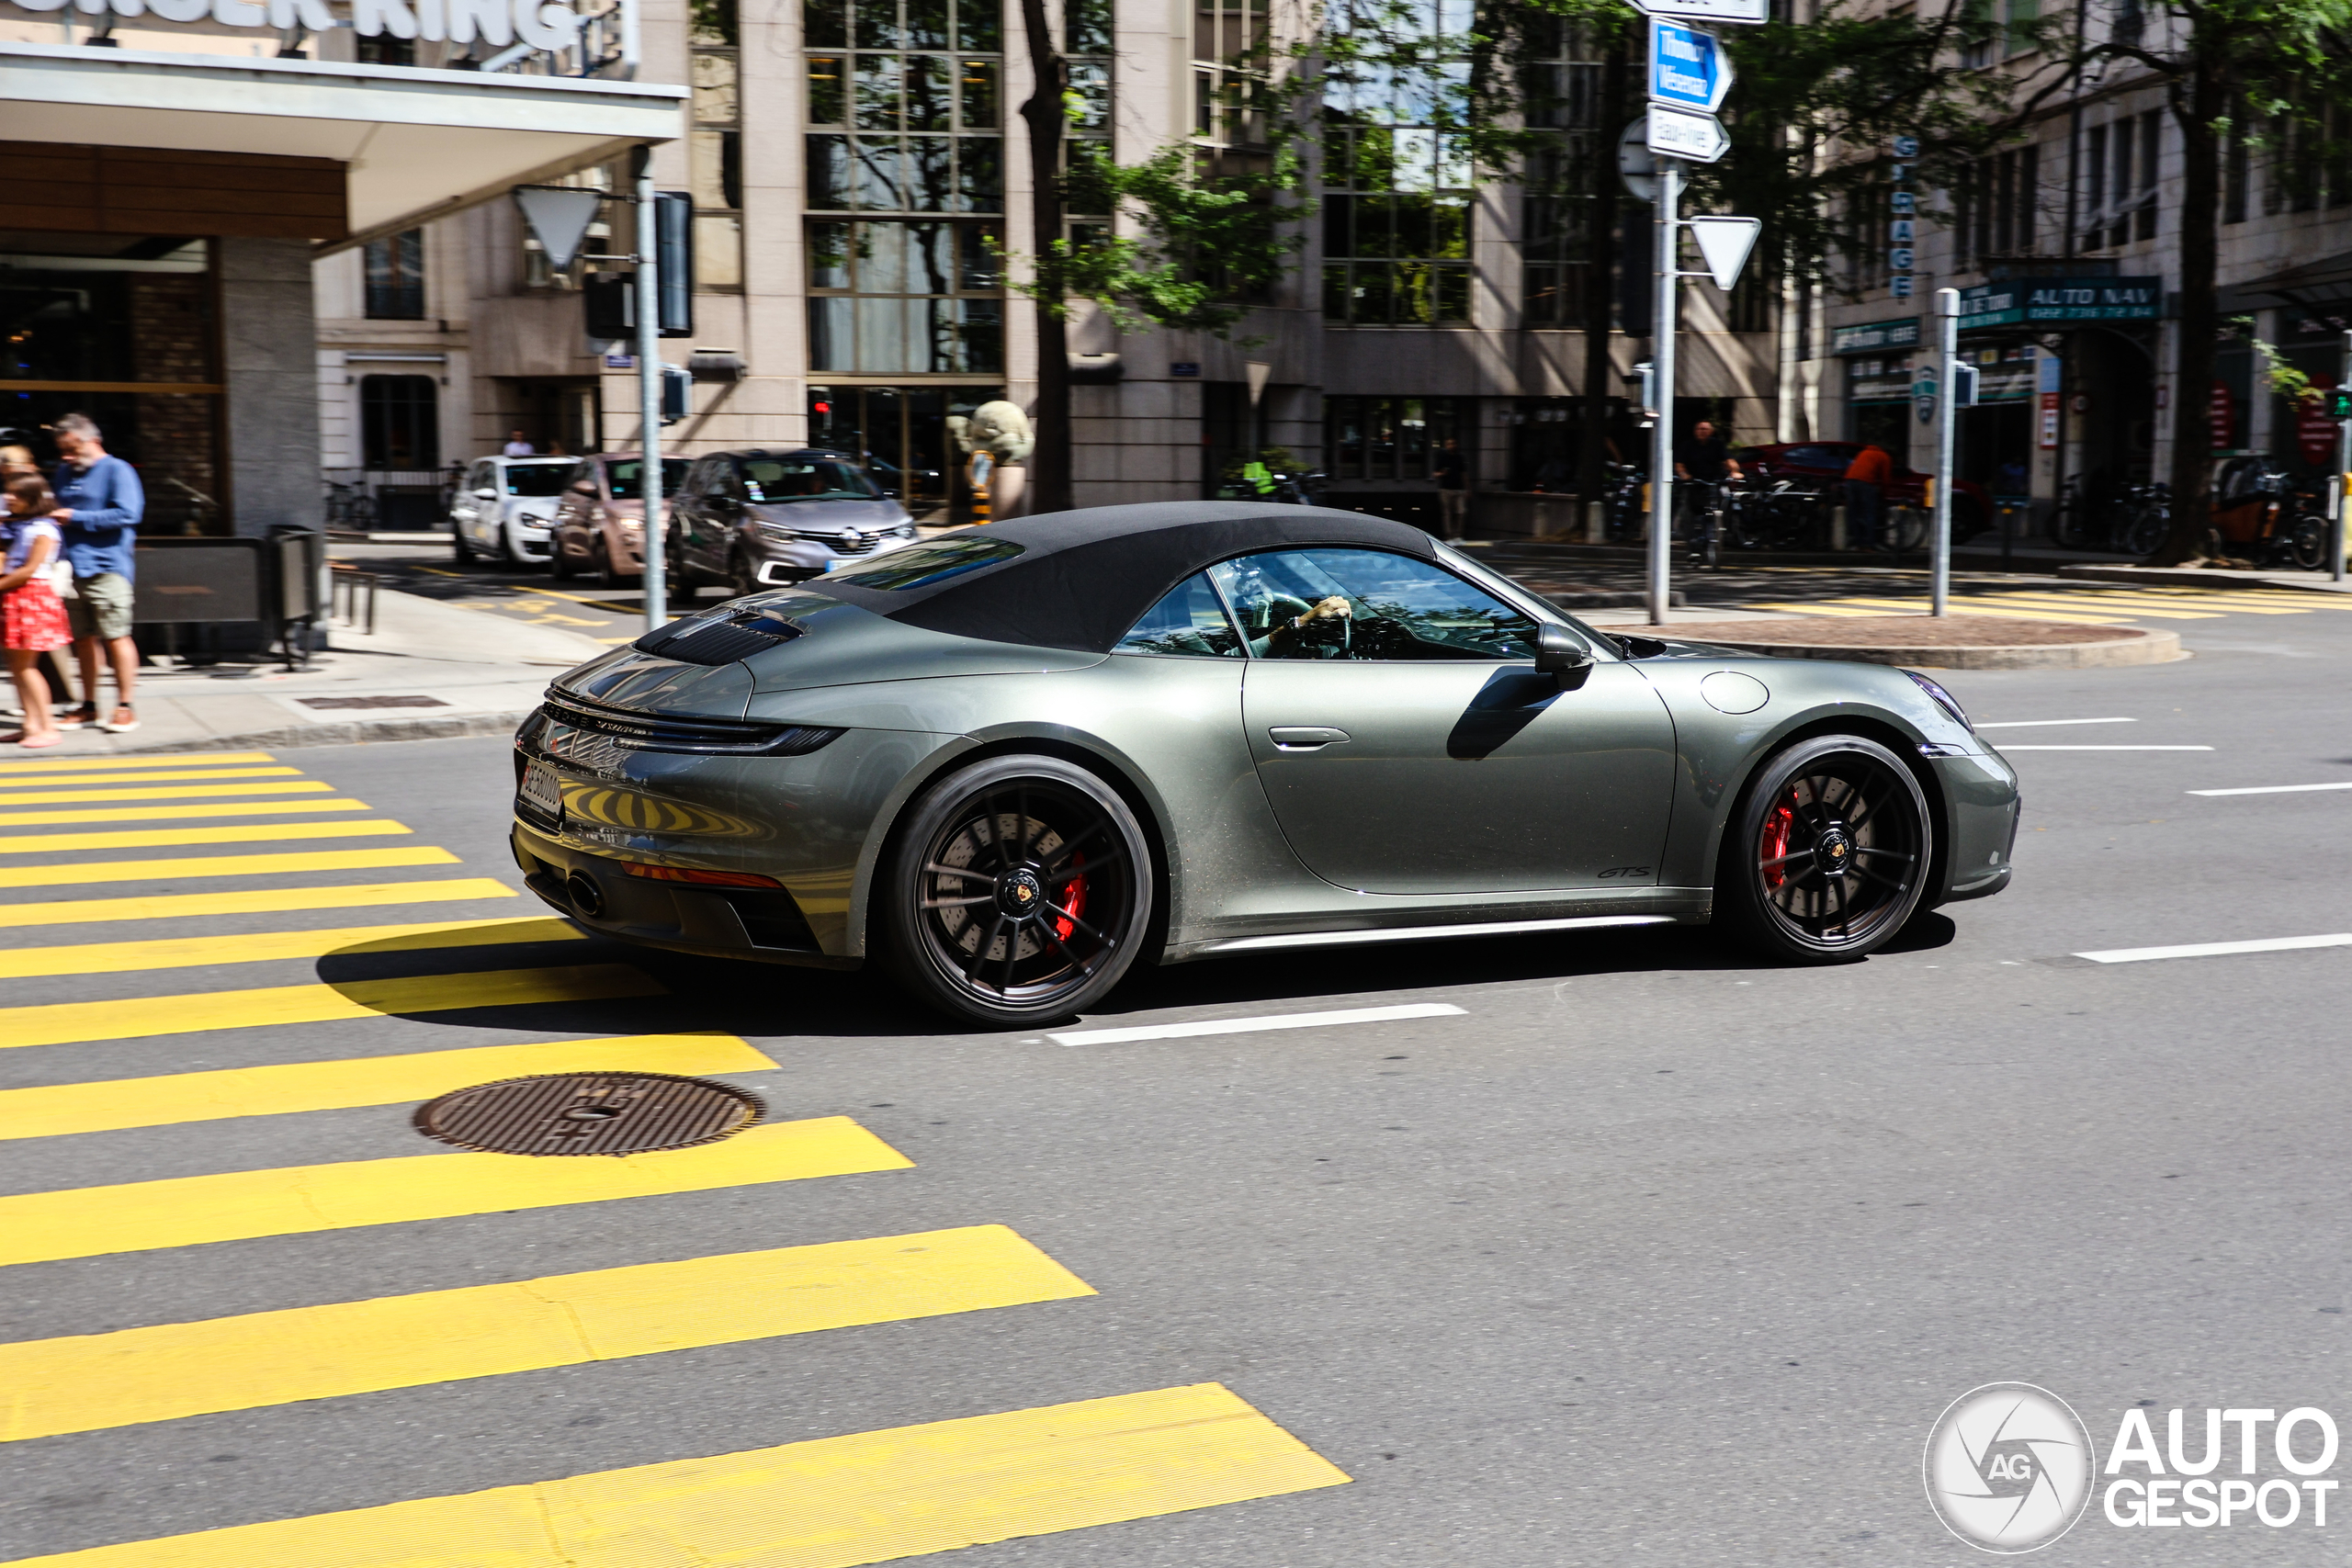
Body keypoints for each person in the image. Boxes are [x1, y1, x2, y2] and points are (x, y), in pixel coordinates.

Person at [51, 412, 143, 734]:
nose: (66, 456)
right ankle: (89, 706)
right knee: (83, 640)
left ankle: (126, 706)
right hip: (70, 568)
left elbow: (128, 513)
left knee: (116, 635)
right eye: (62, 449)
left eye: (72, 448)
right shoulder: (64, 472)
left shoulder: (118, 470)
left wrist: (75, 517)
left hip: (107, 566)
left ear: (93, 440)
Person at [1, 474, 70, 748]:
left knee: (27, 668)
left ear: (33, 499)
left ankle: (48, 727)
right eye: (8, 492)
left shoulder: (44, 529)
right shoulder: (21, 525)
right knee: (18, 667)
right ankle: (31, 724)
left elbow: (29, 571)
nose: (9, 498)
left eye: (17, 494)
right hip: (15, 595)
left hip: (30, 596)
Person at [1673, 421, 1742, 562]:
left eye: (1705, 429)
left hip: (1713, 482)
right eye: (1699, 429)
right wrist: (1684, 475)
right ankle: (1693, 548)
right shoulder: (1687, 446)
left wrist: (1734, 471)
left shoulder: (1717, 444)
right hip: (1694, 484)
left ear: (1710, 431)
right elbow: (1679, 465)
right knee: (1689, 516)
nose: (1702, 431)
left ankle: (1724, 534)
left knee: (1724, 504)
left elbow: (1728, 460)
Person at [1843, 440, 1894, 551]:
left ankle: (1857, 543)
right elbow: (1885, 478)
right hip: (1865, 483)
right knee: (1869, 513)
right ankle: (1869, 543)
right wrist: (1885, 493)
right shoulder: (1884, 457)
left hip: (1850, 480)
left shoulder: (1864, 452)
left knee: (1854, 512)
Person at [1434, 437, 1469, 538]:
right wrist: (1442, 473)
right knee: (1447, 513)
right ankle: (1449, 535)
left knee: (1461, 512)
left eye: (1453, 443)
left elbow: (1464, 474)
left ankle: (1457, 535)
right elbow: (1435, 474)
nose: (1452, 446)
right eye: (1449, 444)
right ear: (1446, 446)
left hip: (1459, 489)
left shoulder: (1460, 457)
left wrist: (1467, 489)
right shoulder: (1443, 457)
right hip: (1445, 489)